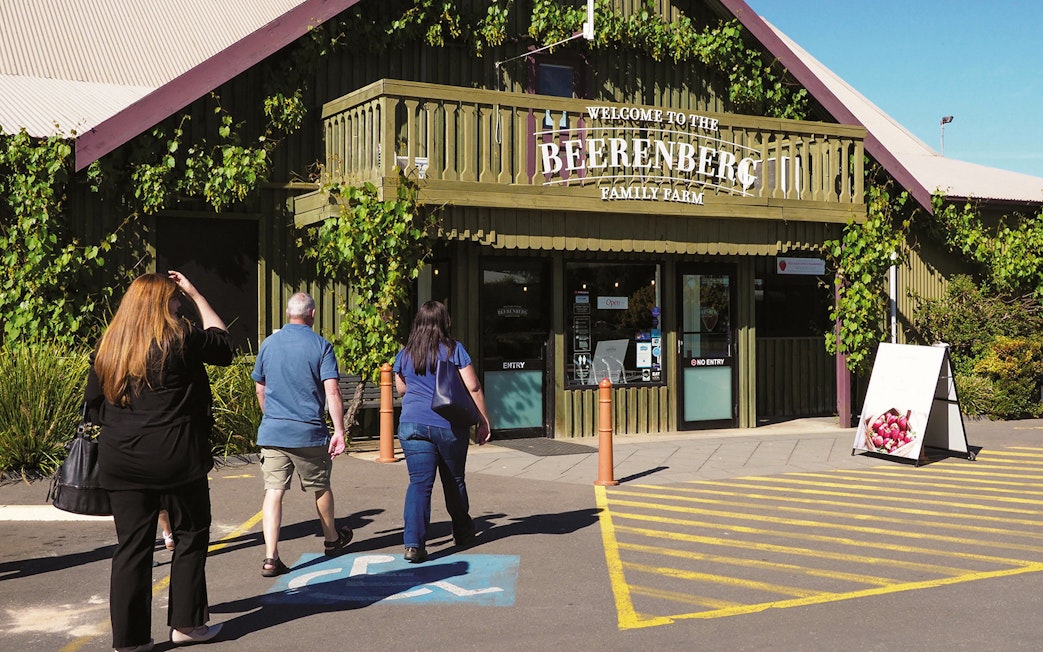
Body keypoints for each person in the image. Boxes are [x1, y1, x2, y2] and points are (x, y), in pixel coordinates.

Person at [85, 271, 233, 652]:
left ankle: (130, 641)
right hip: (177, 456)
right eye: (173, 300)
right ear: (158, 305)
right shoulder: (180, 338)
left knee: (131, 547)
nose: (178, 304)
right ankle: (187, 623)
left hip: (122, 458)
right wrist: (198, 294)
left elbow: (94, 407)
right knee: (190, 534)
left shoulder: (108, 347)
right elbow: (223, 344)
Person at [251, 292, 352, 578]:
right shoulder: (321, 346)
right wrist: (339, 431)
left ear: (287, 313)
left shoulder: (268, 344)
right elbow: (332, 391)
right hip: (308, 431)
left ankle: (271, 557)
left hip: (273, 430)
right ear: (313, 314)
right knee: (320, 485)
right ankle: (332, 539)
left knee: (273, 492)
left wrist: (269, 416)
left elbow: (260, 387)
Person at [393, 300, 492, 563]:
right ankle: (462, 531)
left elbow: (401, 389)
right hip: (448, 425)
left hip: (412, 425)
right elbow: (473, 387)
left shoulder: (405, 353)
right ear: (444, 322)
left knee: (419, 484)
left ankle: (413, 544)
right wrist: (484, 421)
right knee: (454, 480)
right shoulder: (454, 349)